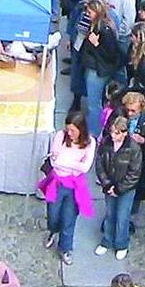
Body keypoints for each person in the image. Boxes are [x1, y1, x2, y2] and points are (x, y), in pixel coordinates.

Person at [43, 112, 97, 265]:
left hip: (75, 186)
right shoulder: (60, 136)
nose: (70, 133)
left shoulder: (90, 142)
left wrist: (63, 160)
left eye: (73, 130)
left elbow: (85, 167)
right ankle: (53, 230)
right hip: (57, 182)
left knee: (69, 217)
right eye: (68, 130)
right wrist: (73, 164)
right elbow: (54, 163)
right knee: (53, 213)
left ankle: (65, 248)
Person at [95, 116, 143, 260]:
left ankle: (121, 244)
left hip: (126, 189)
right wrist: (107, 184)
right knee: (110, 214)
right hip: (110, 185)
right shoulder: (106, 143)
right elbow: (100, 164)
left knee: (123, 216)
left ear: (125, 132)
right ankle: (107, 240)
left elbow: (134, 173)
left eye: (117, 133)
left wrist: (119, 188)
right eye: (112, 132)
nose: (113, 136)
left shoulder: (133, 148)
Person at [80, 0, 123, 136]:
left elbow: (111, 53)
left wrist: (96, 44)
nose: (88, 14)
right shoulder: (96, 25)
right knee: (95, 102)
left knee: (94, 103)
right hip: (94, 67)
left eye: (90, 12)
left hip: (98, 70)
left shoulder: (105, 29)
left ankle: (94, 132)